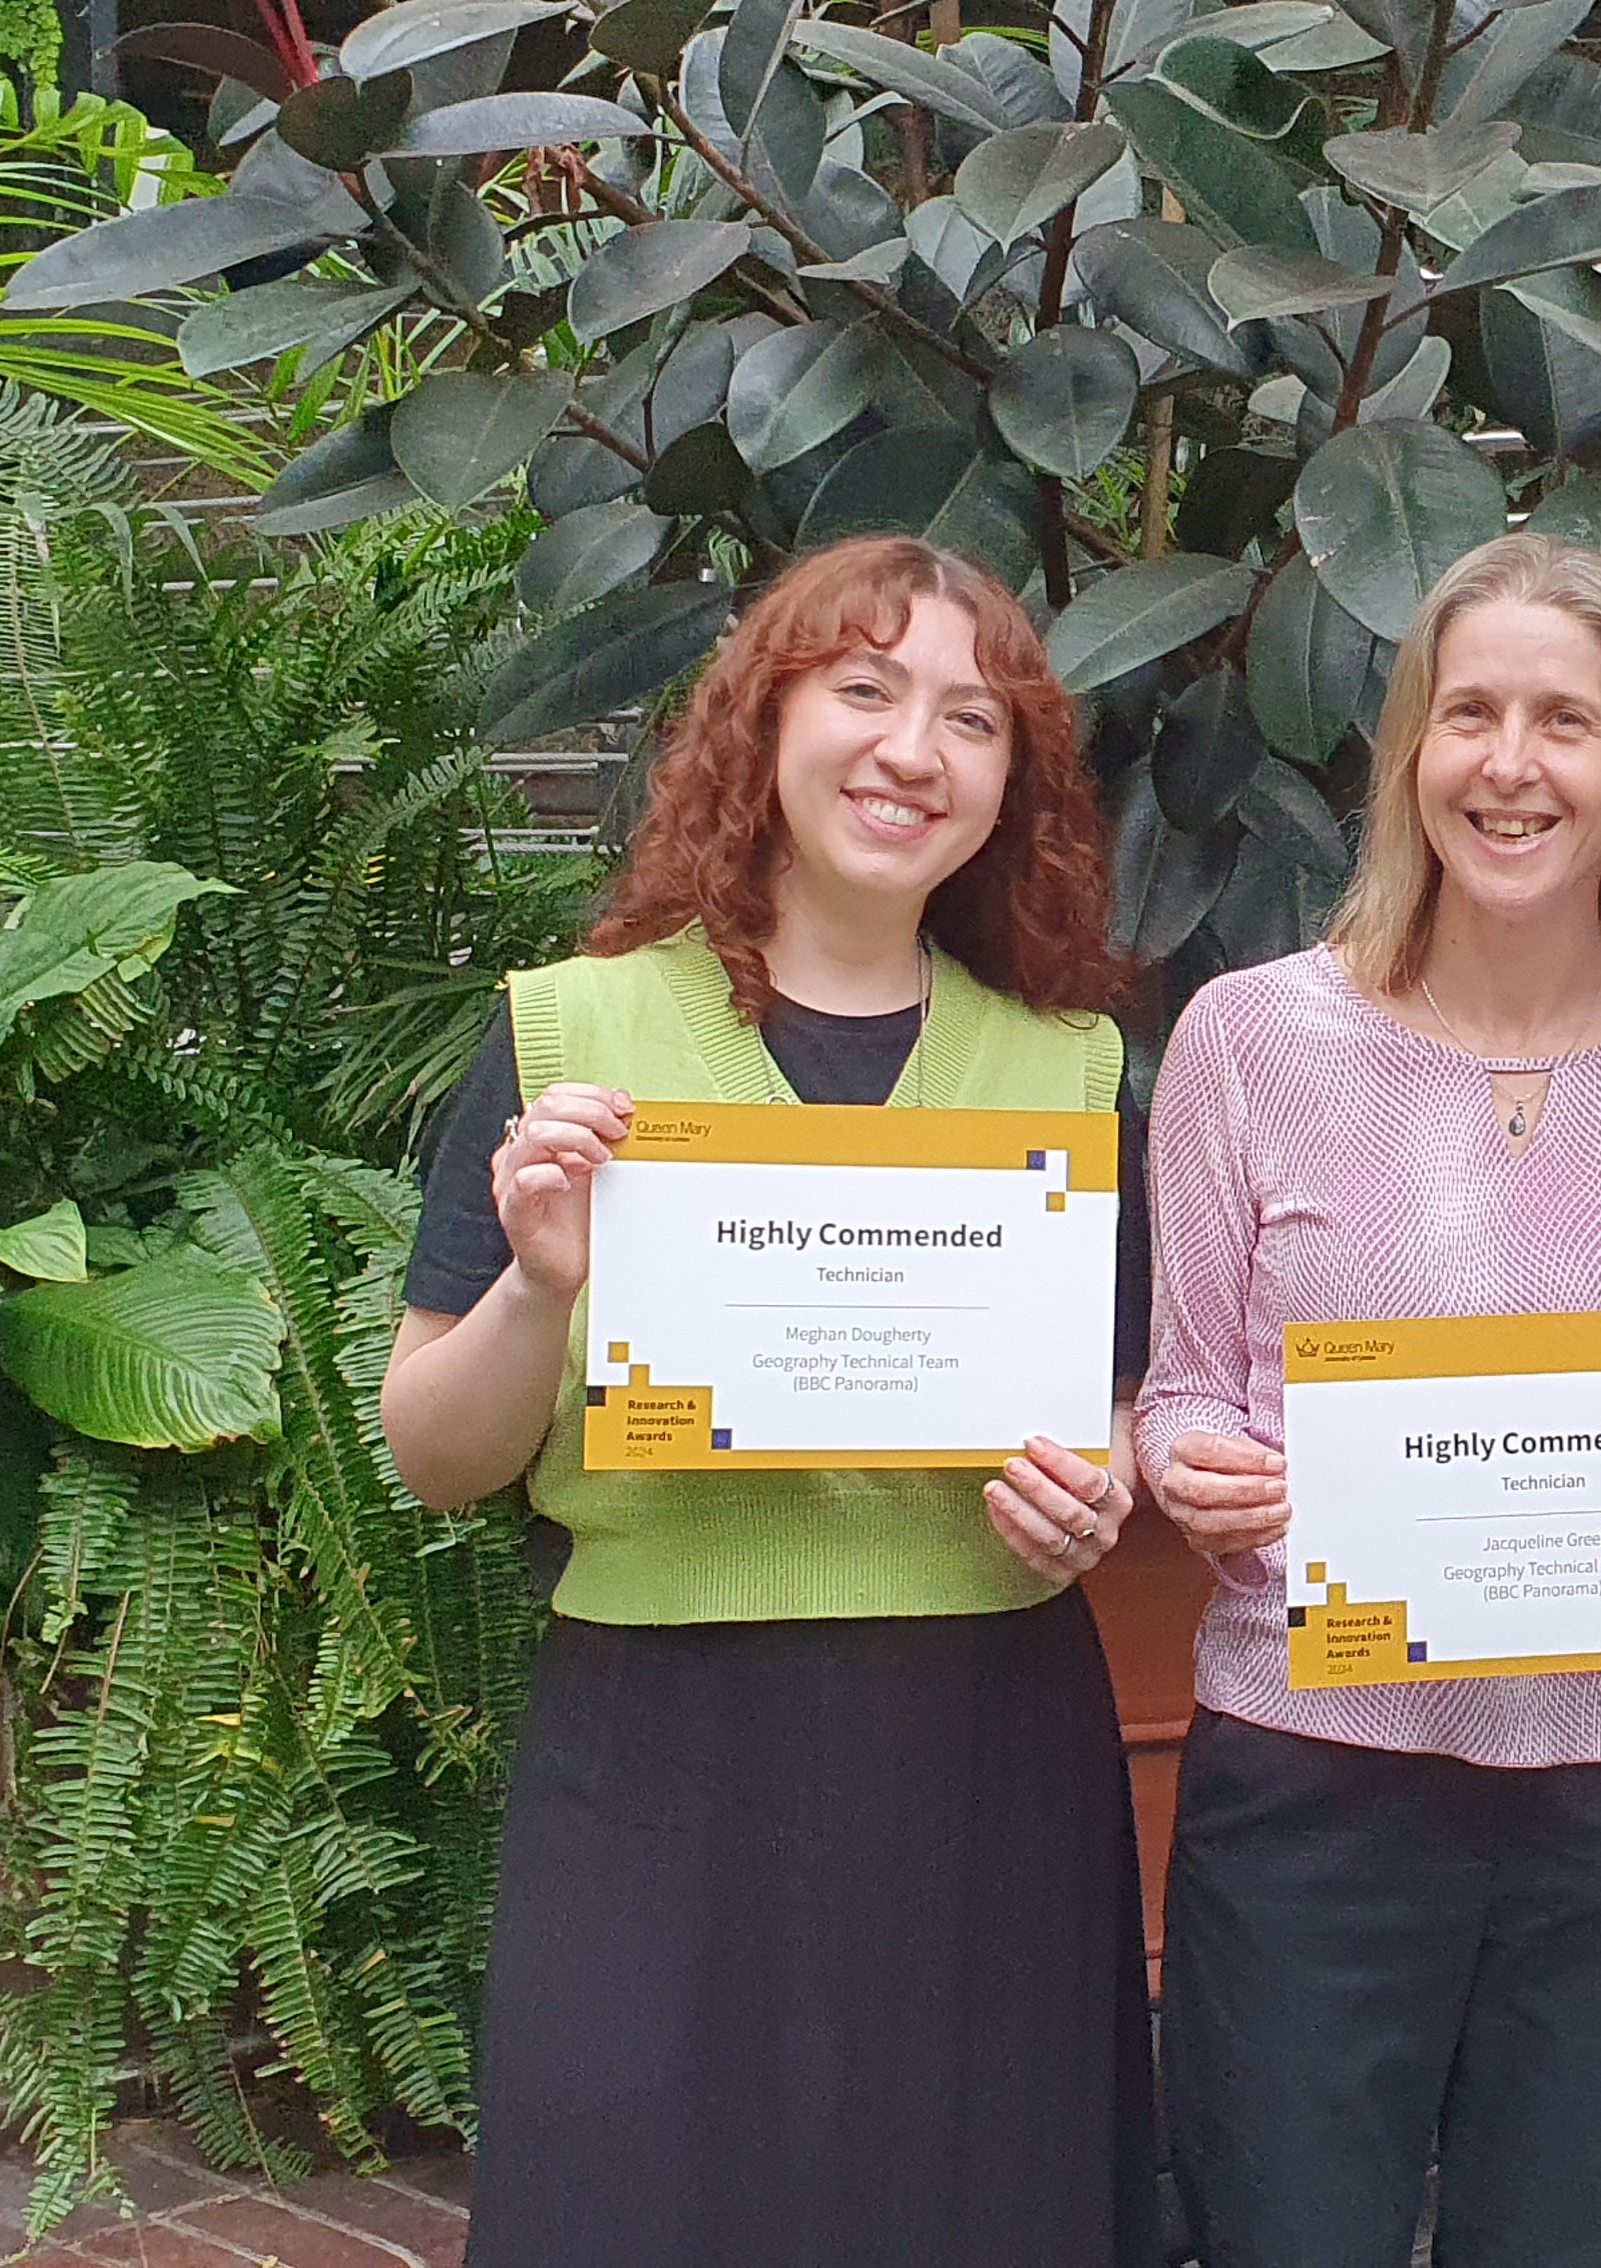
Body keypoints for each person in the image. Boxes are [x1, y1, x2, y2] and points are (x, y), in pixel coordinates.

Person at [381, 535, 1159, 2268]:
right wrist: (540, 1285)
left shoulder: (1066, 1074)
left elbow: (1105, 1415)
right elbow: (432, 1455)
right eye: (865, 690)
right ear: (765, 723)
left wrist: (1094, 1497)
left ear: (1012, 785)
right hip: (665, 1760)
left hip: (981, 1757)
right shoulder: (570, 1042)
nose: (913, 751)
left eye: (972, 719)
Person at [1136, 533, 1601, 2268]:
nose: (1512, 763)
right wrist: (1194, 1467)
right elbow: (1182, 1387)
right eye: (1468, 712)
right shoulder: (1249, 1040)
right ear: (1409, 748)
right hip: (1316, 1780)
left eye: (1566, 718)